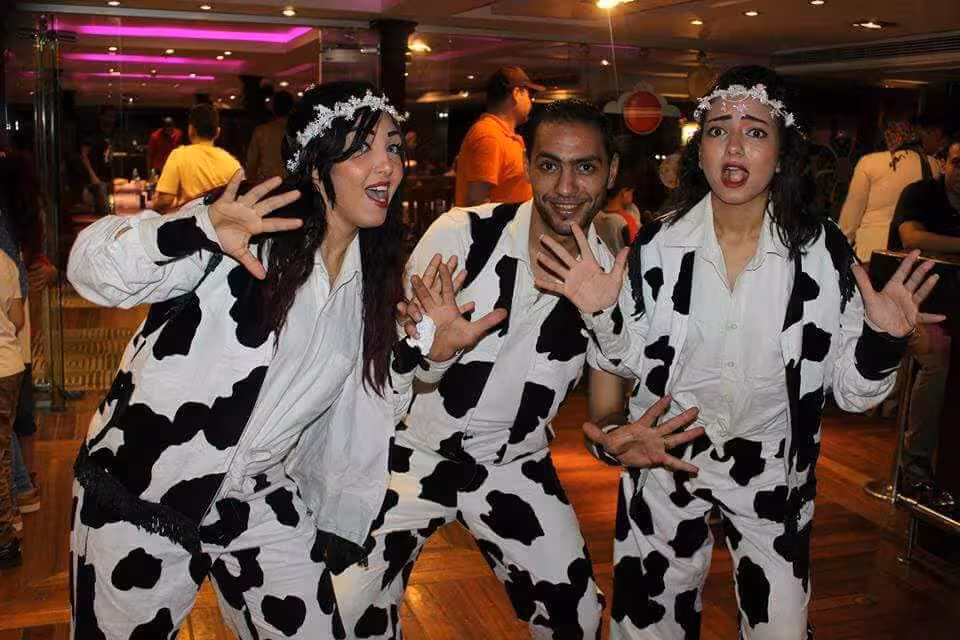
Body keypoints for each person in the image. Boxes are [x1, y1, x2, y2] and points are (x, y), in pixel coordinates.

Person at [66, 81, 500, 639]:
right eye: (361, 147)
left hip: (257, 494)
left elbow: (368, 398)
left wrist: (426, 353)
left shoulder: (371, 277)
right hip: (145, 491)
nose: (385, 165)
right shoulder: (246, 232)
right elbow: (91, 270)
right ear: (317, 165)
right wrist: (196, 229)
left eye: (392, 147)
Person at [536, 66, 943, 639]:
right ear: (698, 150)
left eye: (754, 131)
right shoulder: (658, 245)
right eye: (717, 129)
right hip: (666, 457)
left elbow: (852, 392)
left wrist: (882, 342)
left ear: (782, 153)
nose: (733, 146)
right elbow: (626, 361)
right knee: (649, 625)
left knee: (780, 626)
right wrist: (601, 313)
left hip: (774, 471)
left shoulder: (822, 252)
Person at [333, 99, 701, 639]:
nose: (566, 187)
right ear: (527, 165)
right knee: (343, 607)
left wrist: (615, 438)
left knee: (573, 614)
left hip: (513, 464)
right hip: (410, 452)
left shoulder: (617, 275)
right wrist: (432, 354)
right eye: (550, 165)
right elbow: (387, 371)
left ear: (612, 171)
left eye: (586, 167)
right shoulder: (465, 234)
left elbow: (605, 411)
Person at [889, 138, 960, 487]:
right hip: (909, 310)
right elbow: (912, 237)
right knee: (939, 360)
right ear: (944, 164)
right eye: (958, 163)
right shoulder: (920, 193)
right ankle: (914, 459)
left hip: (953, 309)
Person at [838, 120, 941, 263]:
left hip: (870, 251)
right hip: (912, 254)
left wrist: (840, 248)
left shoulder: (869, 162)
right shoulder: (932, 164)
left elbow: (851, 217)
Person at [453, 66, 544, 207]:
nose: (531, 102)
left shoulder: (500, 135)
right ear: (516, 94)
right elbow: (477, 204)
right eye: (529, 95)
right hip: (500, 229)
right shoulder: (489, 136)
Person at [154, 103, 242, 213]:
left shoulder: (179, 155)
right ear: (217, 132)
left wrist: (153, 209)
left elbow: (165, 200)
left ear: (191, 130)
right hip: (221, 226)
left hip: (190, 225)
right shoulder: (233, 163)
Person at [0, 246, 24, 568]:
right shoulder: (5, 260)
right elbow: (16, 318)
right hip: (9, 364)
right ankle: (10, 517)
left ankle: (5, 537)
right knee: (3, 449)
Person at [246, 91, 294, 183]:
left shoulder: (261, 131)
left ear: (273, 109)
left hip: (268, 185)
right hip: (294, 185)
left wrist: (251, 182)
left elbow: (251, 162)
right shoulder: (302, 132)